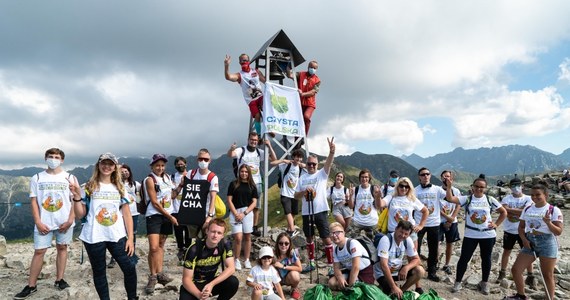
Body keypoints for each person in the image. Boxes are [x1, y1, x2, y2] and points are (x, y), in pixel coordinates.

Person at [71, 153, 137, 300]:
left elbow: (127, 214)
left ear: (115, 168)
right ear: (98, 165)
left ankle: (132, 297)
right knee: (100, 272)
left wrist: (130, 238)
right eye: (104, 163)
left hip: (117, 235)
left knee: (130, 267)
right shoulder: (88, 187)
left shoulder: (120, 188)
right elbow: (80, 215)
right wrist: (76, 197)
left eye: (110, 164)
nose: (107, 166)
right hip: (93, 235)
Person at [14, 148, 77, 300]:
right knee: (39, 251)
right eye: (50, 156)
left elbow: (75, 199)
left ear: (62, 160)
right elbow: (34, 201)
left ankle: (59, 279)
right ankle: (31, 285)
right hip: (44, 222)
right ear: (45, 158)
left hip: (64, 221)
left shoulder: (69, 177)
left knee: (62, 248)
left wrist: (70, 220)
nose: (53, 159)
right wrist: (38, 221)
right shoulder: (37, 177)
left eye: (57, 157)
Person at [443, 175, 507, 295]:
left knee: (486, 259)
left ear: (485, 188)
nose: (478, 189)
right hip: (471, 234)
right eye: (476, 186)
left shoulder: (490, 199)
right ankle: (458, 282)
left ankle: (485, 283)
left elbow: (503, 212)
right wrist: (449, 187)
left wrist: (496, 224)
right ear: (472, 187)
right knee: (464, 259)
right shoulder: (467, 199)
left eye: (481, 187)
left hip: (487, 235)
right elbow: (450, 199)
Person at [504, 184, 564, 300]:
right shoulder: (527, 209)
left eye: (538, 195)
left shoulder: (553, 210)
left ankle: (549, 298)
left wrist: (548, 223)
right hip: (530, 241)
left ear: (546, 195)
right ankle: (521, 295)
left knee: (547, 275)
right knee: (516, 270)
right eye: (532, 195)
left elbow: (558, 231)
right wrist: (524, 240)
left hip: (547, 243)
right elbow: (521, 227)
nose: (534, 197)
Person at [294, 137, 336, 274]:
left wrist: (331, 152)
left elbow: (328, 164)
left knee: (325, 237)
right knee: (309, 237)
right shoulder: (302, 178)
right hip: (307, 212)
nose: (311, 166)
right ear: (306, 164)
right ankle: (311, 262)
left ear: (317, 165)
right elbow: (295, 195)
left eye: (314, 164)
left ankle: (331, 265)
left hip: (321, 210)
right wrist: (303, 192)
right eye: (309, 164)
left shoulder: (321, 174)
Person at [380, 176, 428, 294]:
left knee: (413, 258)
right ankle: (390, 281)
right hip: (393, 232)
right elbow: (381, 204)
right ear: (398, 186)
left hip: (410, 233)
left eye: (407, 186)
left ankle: (416, 284)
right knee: (390, 258)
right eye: (401, 185)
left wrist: (421, 225)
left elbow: (425, 210)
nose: (404, 188)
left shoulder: (411, 198)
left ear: (409, 188)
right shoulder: (392, 196)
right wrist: (377, 196)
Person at [228, 132, 276, 236]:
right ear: (248, 139)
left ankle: (254, 227)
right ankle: (241, 223)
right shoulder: (242, 150)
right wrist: (232, 149)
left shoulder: (260, 152)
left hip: (256, 183)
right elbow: (231, 155)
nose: (253, 142)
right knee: (242, 204)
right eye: (252, 139)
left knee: (256, 206)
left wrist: (269, 146)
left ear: (258, 141)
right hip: (242, 182)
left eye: (255, 140)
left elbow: (274, 159)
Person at [180, 218, 239, 300]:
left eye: (219, 233)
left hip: (212, 281)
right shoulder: (194, 248)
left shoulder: (225, 244)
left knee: (233, 282)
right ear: (207, 231)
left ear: (222, 235)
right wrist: (199, 295)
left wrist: (211, 284)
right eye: (213, 231)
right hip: (195, 283)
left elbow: (231, 268)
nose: (215, 235)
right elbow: (186, 279)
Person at [144, 154, 177, 294]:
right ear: (152, 166)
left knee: (161, 245)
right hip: (155, 216)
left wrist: (181, 185)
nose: (160, 167)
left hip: (167, 214)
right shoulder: (149, 180)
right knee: (153, 247)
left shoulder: (168, 178)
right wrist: (170, 217)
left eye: (162, 165)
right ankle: (152, 276)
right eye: (157, 165)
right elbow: (155, 203)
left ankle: (160, 273)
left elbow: (171, 195)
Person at [173, 148, 220, 237]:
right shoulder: (191, 174)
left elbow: (213, 197)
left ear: (210, 161)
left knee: (208, 238)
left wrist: (209, 216)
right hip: (193, 214)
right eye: (201, 159)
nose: (203, 161)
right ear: (197, 159)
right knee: (196, 239)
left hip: (206, 214)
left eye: (206, 159)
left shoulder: (212, 177)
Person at [497, 176, 534, 286]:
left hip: (524, 230)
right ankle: (502, 272)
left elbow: (526, 211)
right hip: (509, 230)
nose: (515, 188)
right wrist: (520, 212)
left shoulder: (528, 198)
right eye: (513, 186)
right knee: (506, 251)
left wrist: (510, 210)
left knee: (527, 252)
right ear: (510, 187)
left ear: (522, 186)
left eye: (518, 185)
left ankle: (530, 275)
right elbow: (503, 210)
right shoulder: (507, 198)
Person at [374, 220, 425, 300]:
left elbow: (417, 260)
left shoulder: (408, 240)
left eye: (406, 234)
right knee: (390, 291)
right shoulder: (386, 240)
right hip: (382, 273)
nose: (402, 235)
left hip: (397, 271)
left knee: (420, 271)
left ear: (409, 235)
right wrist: (393, 286)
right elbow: (384, 265)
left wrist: (406, 268)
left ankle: (401, 291)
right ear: (396, 229)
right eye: (401, 232)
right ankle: (390, 288)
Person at [414, 167, 446, 282]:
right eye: (422, 174)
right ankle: (416, 269)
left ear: (430, 175)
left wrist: (448, 184)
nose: (425, 176)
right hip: (418, 223)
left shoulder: (437, 189)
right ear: (419, 177)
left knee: (433, 249)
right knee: (415, 248)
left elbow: (449, 197)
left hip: (434, 223)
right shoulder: (415, 190)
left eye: (427, 174)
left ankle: (432, 272)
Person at [224, 53, 267, 135]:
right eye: (242, 60)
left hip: (260, 96)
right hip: (251, 100)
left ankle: (270, 128)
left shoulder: (256, 71)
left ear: (249, 61)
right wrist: (226, 66)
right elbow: (228, 77)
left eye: (246, 60)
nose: (244, 62)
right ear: (240, 62)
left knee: (265, 107)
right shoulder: (239, 75)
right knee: (257, 116)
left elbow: (265, 81)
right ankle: (258, 135)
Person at [108, 164, 141, 268]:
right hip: (120, 213)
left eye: (126, 171)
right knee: (118, 234)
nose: (124, 173)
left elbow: (141, 196)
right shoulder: (115, 185)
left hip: (134, 212)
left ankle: (132, 254)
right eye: (122, 172)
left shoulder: (136, 184)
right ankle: (114, 258)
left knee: (132, 235)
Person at [227, 164, 258, 271]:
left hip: (247, 212)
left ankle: (247, 259)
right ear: (239, 172)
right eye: (242, 171)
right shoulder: (233, 184)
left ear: (249, 173)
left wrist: (244, 213)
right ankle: (236, 259)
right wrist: (236, 213)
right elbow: (229, 200)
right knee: (238, 237)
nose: (244, 173)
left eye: (246, 172)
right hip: (235, 212)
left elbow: (254, 202)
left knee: (247, 236)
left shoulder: (252, 186)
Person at [328, 222, 375, 290]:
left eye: (337, 232)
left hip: (364, 271)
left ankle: (349, 288)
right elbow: (336, 268)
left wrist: (351, 286)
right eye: (332, 233)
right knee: (332, 283)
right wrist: (340, 278)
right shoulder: (335, 249)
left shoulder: (352, 243)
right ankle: (346, 287)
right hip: (350, 271)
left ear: (343, 233)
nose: (334, 235)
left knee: (357, 288)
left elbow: (356, 267)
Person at [271, 149, 306, 236]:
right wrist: (283, 160)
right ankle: (293, 230)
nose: (298, 159)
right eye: (297, 156)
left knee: (293, 212)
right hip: (285, 193)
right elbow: (272, 163)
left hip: (295, 194)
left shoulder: (300, 167)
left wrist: (304, 165)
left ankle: (289, 229)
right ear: (293, 157)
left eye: (300, 157)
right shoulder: (286, 165)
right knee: (288, 211)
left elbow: (311, 168)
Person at [286, 60, 321, 136]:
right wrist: (288, 67)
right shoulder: (301, 74)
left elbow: (313, 91)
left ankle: (304, 135)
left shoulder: (317, 80)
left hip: (310, 104)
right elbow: (290, 75)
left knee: (306, 117)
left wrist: (303, 94)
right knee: (298, 120)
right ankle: (297, 141)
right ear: (308, 67)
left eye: (315, 68)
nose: (313, 69)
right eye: (311, 67)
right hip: (299, 103)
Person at [438, 170, 461, 275]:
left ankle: (446, 264)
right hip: (439, 221)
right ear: (441, 178)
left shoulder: (456, 191)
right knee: (436, 243)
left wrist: (452, 218)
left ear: (452, 179)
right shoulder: (437, 190)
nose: (446, 178)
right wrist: (448, 217)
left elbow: (458, 205)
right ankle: (435, 263)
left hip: (453, 221)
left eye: (448, 176)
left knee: (449, 244)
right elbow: (436, 207)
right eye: (445, 176)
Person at [348, 169, 382, 239]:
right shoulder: (355, 189)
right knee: (349, 240)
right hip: (357, 221)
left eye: (366, 177)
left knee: (374, 243)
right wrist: (350, 196)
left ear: (369, 178)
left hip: (372, 222)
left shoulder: (374, 189)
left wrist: (377, 197)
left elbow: (378, 207)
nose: (364, 179)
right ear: (360, 178)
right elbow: (351, 206)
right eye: (362, 177)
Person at [171, 156, 191, 262]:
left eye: (182, 164)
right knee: (178, 231)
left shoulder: (191, 175)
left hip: (188, 208)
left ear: (186, 164)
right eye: (178, 164)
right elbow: (172, 194)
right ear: (175, 166)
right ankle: (180, 249)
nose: (180, 166)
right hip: (176, 209)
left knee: (188, 232)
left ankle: (188, 250)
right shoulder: (172, 177)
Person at [272, 233, 302, 300]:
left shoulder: (293, 253)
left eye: (286, 243)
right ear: (277, 244)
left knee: (295, 275)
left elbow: (300, 268)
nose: (283, 245)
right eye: (281, 243)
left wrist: (283, 266)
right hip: (276, 278)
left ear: (290, 244)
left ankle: (294, 288)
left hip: (287, 277)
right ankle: (274, 288)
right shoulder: (272, 253)